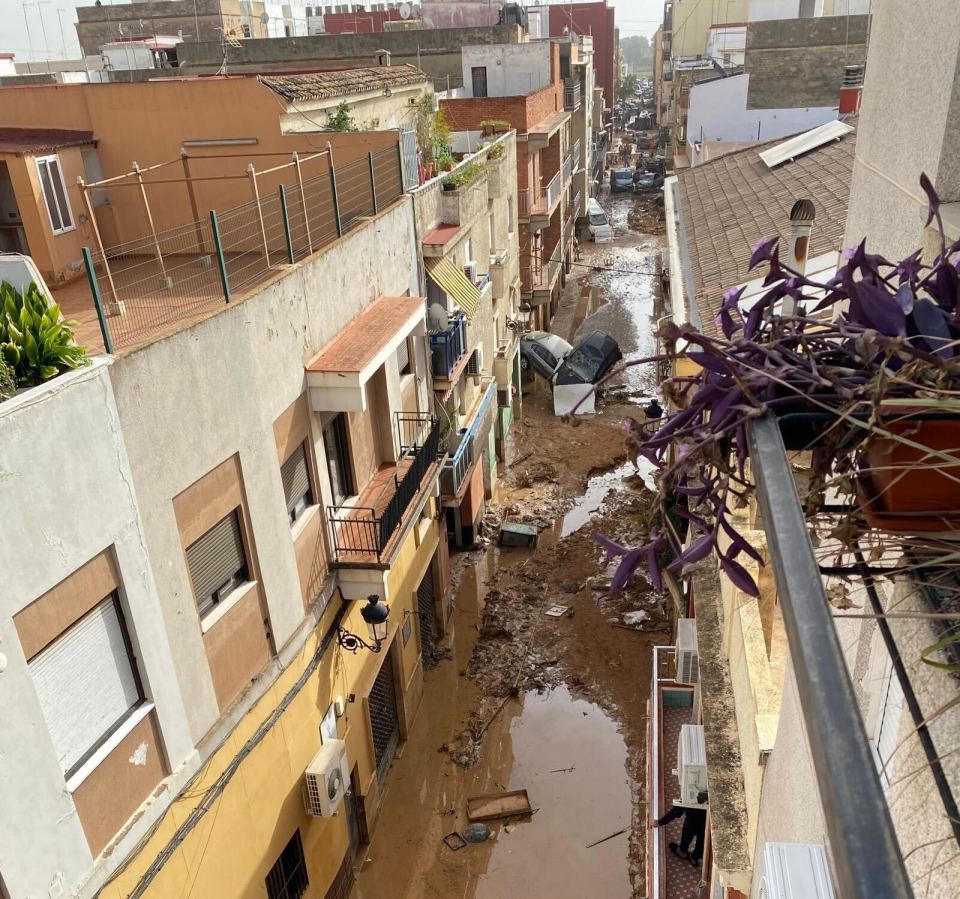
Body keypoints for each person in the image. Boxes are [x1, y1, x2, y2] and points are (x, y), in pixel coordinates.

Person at [652, 794, 707, 866]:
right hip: (706, 824)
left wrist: (660, 822)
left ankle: (683, 852)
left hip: (691, 823)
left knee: (686, 838)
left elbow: (677, 810)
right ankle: (695, 857)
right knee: (702, 842)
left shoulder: (689, 794)